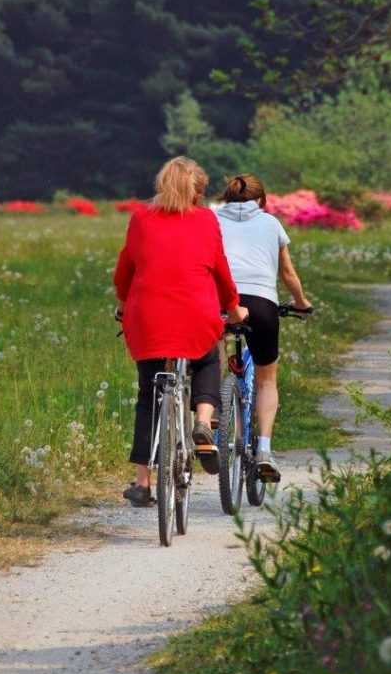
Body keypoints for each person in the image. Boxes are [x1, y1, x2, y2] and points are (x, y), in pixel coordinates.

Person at [113, 156, 249, 507]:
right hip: (196, 316)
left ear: (161, 186)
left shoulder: (140, 218)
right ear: (198, 191)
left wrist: (125, 303)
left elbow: (125, 270)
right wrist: (234, 309)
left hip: (148, 318)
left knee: (149, 396)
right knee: (206, 360)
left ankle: (143, 482)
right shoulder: (206, 220)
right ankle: (203, 422)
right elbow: (220, 272)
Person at [215, 173, 312, 481]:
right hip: (261, 303)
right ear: (262, 201)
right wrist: (301, 302)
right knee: (267, 379)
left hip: (221, 299)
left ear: (226, 198)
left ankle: (214, 406)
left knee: (214, 345)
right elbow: (287, 272)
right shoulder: (271, 223)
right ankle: (265, 450)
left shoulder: (212, 219)